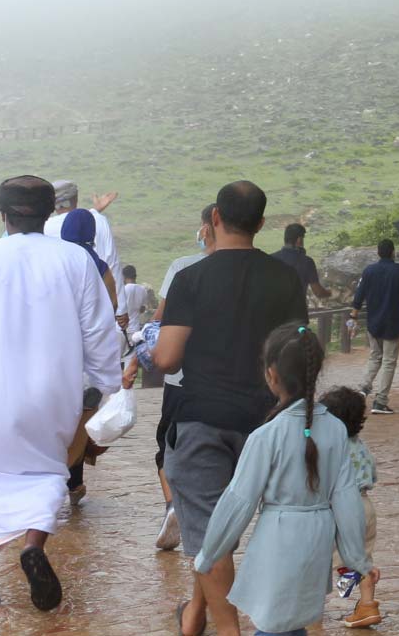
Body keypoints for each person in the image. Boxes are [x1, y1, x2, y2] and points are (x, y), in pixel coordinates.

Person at [0, 176, 121, 611]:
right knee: (45, 471)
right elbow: (98, 330)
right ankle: (33, 544)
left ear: (2, 214)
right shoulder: (74, 259)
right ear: (50, 213)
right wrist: (104, 383)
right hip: (53, 398)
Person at [152, 180, 308, 636]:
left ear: (215, 218)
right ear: (261, 223)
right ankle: (194, 616)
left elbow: (167, 359)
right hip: (268, 421)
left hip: (203, 419)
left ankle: (228, 631)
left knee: (209, 535)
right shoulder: (285, 279)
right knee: (233, 530)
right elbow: (299, 352)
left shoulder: (190, 279)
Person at [193, 322, 370, 636]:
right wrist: (356, 558)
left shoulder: (266, 436)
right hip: (318, 537)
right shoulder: (336, 430)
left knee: (273, 623)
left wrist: (209, 552)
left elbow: (239, 501)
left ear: (271, 374)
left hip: (278, 539)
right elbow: (346, 498)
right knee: (294, 620)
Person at [149, 203, 215, 552]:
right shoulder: (259, 270)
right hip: (233, 382)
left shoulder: (182, 268)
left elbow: (161, 318)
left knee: (169, 447)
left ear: (207, 226)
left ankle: (173, 505)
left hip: (182, 380)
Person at [57, 205, 120, 504]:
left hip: (57, 355)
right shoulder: (100, 266)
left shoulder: (55, 260)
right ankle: (74, 482)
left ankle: (50, 481)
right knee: (81, 421)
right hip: (88, 360)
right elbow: (111, 307)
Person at [319, 386, 384, 629]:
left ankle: (314, 607)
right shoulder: (361, 445)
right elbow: (373, 476)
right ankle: (367, 605)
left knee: (327, 559)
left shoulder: (330, 448)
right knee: (362, 557)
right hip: (366, 506)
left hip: (342, 508)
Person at [351, 239, 399, 414]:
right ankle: (380, 402)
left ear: (378, 252)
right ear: (392, 252)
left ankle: (363, 388)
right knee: (389, 361)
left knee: (375, 357)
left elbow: (359, 295)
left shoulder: (369, 271)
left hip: (373, 323)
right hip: (393, 323)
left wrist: (353, 317)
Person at [45, 179, 120, 289]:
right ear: (76, 199)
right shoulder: (99, 221)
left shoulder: (45, 227)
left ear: (53, 203)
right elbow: (111, 262)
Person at [119, 263, 154, 331]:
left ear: (123, 276)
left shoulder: (123, 290)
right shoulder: (143, 290)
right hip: (135, 328)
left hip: (121, 329)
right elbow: (142, 310)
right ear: (135, 276)